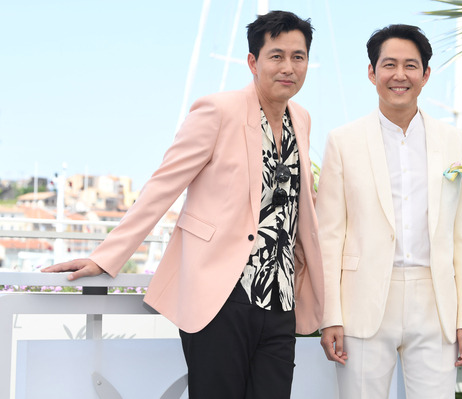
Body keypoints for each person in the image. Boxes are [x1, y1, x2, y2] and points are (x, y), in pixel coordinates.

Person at [42, 10, 324, 399]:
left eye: (299, 56)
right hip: (221, 297)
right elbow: (163, 185)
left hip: (280, 300)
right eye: (277, 56)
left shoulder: (302, 119)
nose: (289, 66)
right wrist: (107, 256)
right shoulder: (218, 110)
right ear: (253, 62)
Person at [316, 24, 462, 398]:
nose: (399, 75)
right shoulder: (342, 141)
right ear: (372, 72)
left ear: (425, 74)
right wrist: (331, 317)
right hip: (363, 300)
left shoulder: (458, 142)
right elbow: (329, 235)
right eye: (389, 64)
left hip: (435, 302)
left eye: (411, 65)